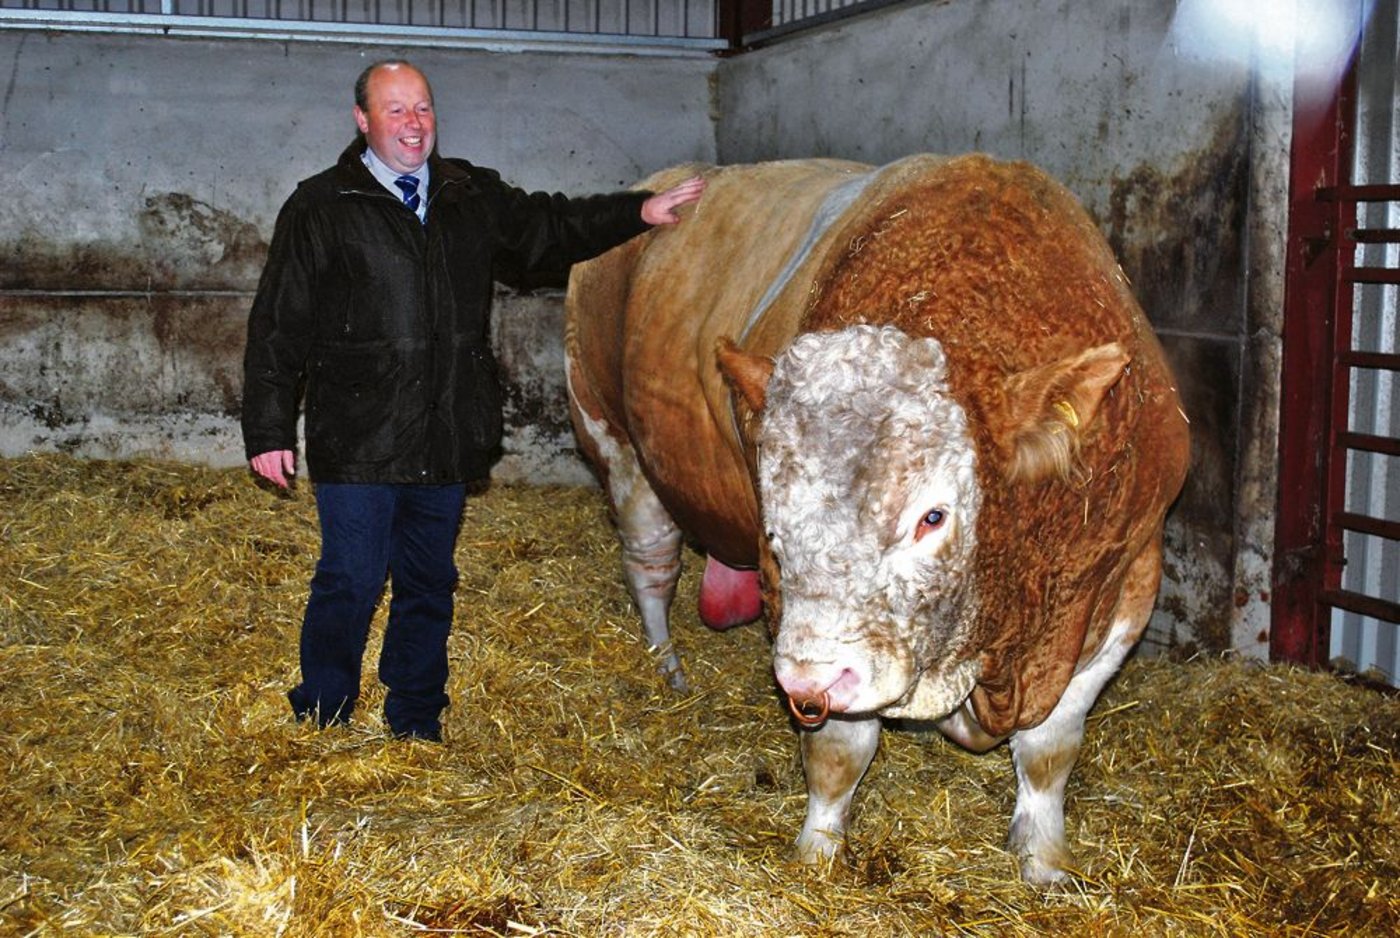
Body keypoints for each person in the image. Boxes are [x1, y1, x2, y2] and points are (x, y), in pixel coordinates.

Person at [241, 59, 705, 742]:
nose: (413, 123)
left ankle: (415, 716)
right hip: (360, 434)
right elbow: (279, 322)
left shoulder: (467, 193)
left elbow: (550, 226)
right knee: (351, 578)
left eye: (423, 108)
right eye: (395, 110)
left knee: (429, 581)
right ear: (362, 120)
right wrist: (268, 428)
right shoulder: (321, 206)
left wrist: (637, 211)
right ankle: (325, 709)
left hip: (447, 427)